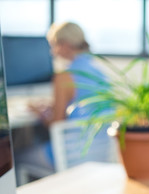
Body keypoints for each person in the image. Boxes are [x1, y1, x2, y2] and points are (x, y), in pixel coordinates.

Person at [18, 22, 108, 170]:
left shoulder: (64, 77)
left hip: (70, 156)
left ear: (65, 45)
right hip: (99, 153)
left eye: (53, 45)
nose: (52, 52)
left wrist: (40, 113)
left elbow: (56, 125)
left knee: (17, 156)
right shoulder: (100, 73)